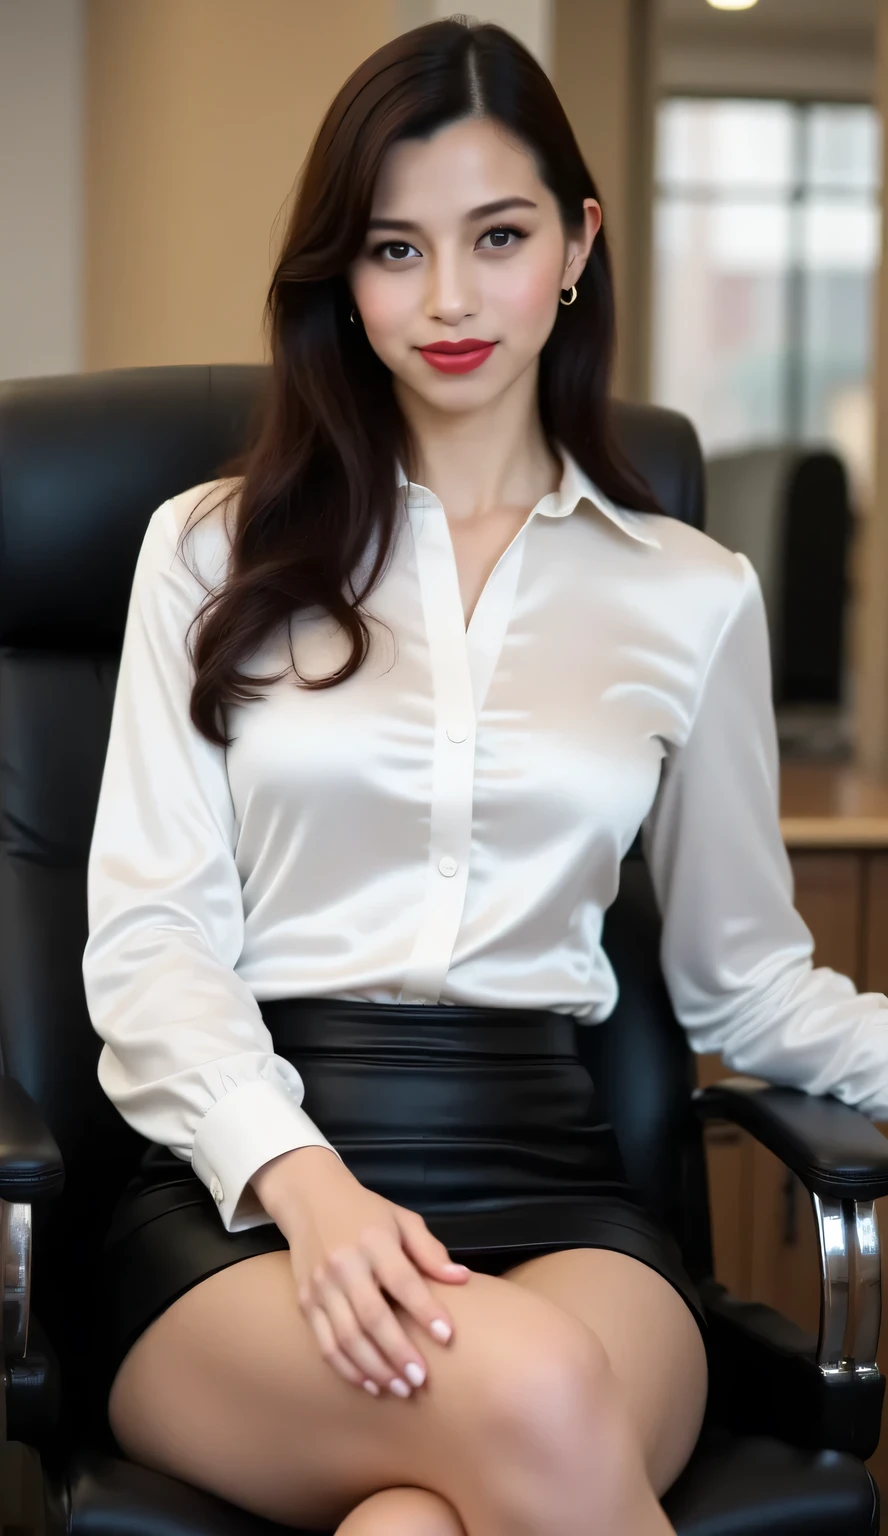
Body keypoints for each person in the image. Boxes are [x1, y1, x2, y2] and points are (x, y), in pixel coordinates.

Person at [82, 16, 888, 1536]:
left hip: (565, 1195)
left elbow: (746, 987)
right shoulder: (208, 547)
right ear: (345, 277)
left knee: (418, 1520)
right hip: (245, 1206)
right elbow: (151, 940)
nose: (448, 299)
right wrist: (309, 1188)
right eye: (394, 250)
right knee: (522, 1390)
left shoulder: (694, 592)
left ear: (577, 244)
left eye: (497, 236)